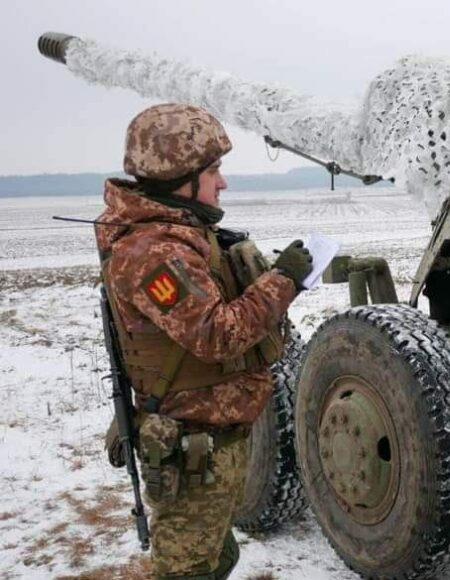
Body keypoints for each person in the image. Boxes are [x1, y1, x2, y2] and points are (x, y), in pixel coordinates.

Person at [95, 103, 312, 579]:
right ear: (180, 176)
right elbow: (218, 334)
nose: (223, 182)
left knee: (218, 559)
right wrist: (284, 281)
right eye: (213, 170)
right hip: (193, 448)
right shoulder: (154, 253)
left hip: (213, 442)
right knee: (189, 571)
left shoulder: (180, 235)